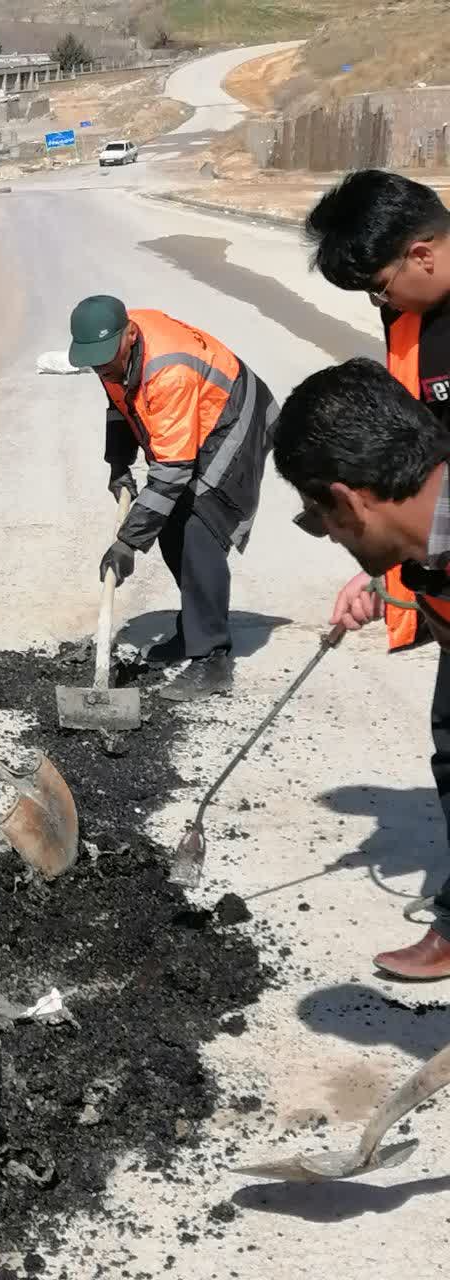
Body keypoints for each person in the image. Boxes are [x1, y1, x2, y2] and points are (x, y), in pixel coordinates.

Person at [306, 170, 450, 976]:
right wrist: (386, 563)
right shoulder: (416, 316)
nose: (379, 305)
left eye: (380, 285)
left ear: (421, 252)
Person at [273, 358, 450, 977]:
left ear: (348, 500)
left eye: (319, 520)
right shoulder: (431, 531)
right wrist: (389, 574)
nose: (328, 535)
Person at [67, 295, 279, 702]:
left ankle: (213, 660)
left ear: (129, 334)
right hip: (196, 418)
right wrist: (118, 464)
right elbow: (120, 405)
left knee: (200, 528)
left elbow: (172, 471)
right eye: (94, 362)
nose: (101, 368)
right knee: (171, 528)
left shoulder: (169, 371)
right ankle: (193, 632)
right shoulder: (109, 354)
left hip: (234, 420)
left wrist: (127, 542)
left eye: (105, 359)